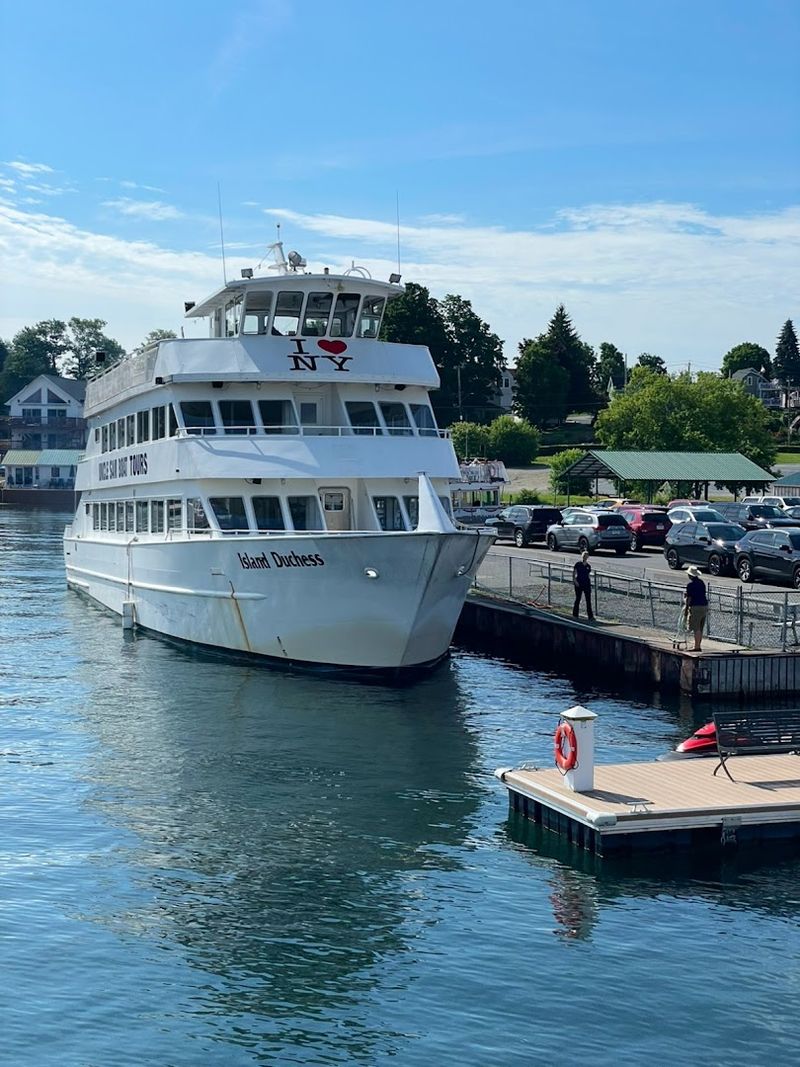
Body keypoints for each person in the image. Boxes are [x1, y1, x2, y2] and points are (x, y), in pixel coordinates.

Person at [684, 565, 708, 651]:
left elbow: (689, 598)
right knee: (700, 627)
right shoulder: (701, 583)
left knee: (696, 627)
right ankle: (698, 645)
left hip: (696, 607)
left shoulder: (690, 585)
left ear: (690, 575)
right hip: (704, 606)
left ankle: (697, 647)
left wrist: (686, 609)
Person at [572, 551, 594, 621]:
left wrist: (590, 584)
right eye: (584, 555)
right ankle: (575, 614)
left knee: (588, 600)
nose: (585, 557)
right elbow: (574, 573)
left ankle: (590, 616)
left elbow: (588, 575)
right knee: (578, 599)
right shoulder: (578, 564)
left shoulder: (588, 566)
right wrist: (575, 581)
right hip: (579, 583)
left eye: (586, 555)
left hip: (586, 584)